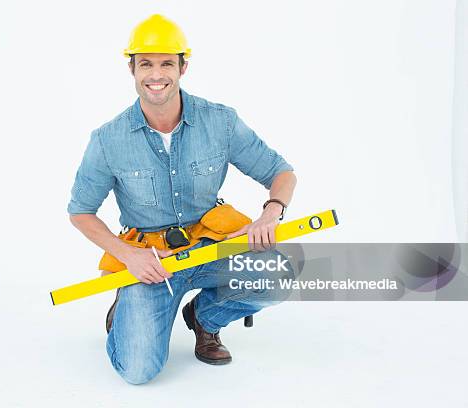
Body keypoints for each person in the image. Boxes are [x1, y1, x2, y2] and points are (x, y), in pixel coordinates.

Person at [67, 14, 297, 385]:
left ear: (182, 66)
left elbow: (281, 172)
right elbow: (80, 212)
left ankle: (204, 318)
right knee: (138, 371)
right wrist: (128, 256)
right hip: (153, 262)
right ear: (132, 69)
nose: (156, 75)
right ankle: (127, 307)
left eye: (165, 64)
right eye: (146, 64)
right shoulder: (108, 140)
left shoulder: (220, 121)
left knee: (281, 274)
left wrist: (271, 213)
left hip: (212, 246)